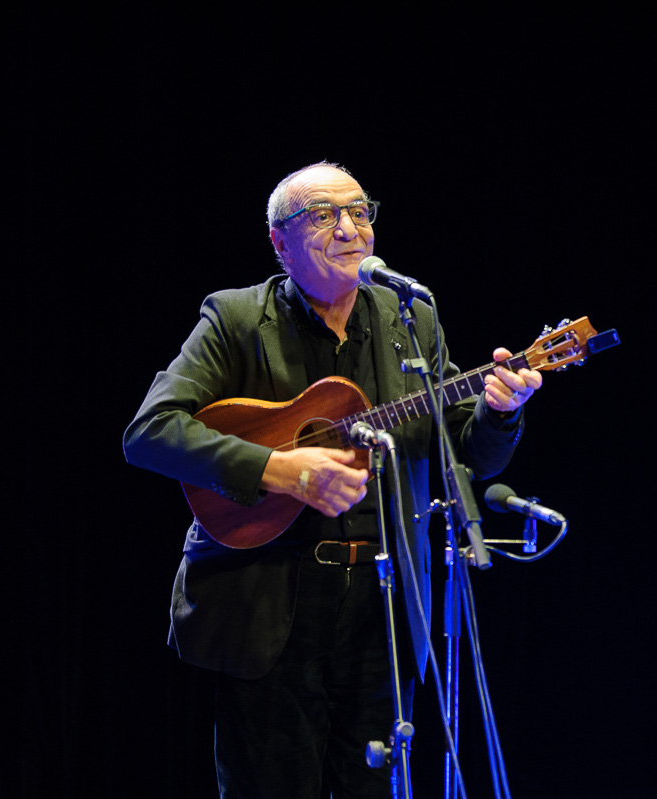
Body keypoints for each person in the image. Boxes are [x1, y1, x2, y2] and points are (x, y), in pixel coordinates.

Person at [123, 162, 542, 798]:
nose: (349, 228)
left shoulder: (412, 318)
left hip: (384, 605)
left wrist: (499, 412)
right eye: (323, 215)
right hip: (267, 601)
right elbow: (149, 431)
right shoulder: (237, 319)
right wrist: (277, 468)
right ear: (279, 241)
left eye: (360, 212)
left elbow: (463, 451)